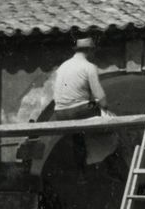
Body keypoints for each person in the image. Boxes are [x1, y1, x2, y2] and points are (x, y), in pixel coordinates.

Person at [51, 37, 129, 182]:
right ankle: (112, 166)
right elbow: (101, 98)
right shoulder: (89, 67)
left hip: (60, 113)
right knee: (112, 127)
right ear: (90, 50)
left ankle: (81, 172)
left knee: (78, 136)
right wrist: (106, 108)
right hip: (80, 111)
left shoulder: (63, 66)